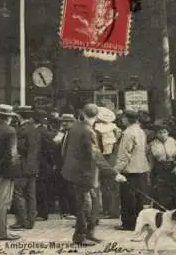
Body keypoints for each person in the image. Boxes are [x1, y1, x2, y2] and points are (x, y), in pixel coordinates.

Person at [61, 104, 127, 246]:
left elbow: (65, 150)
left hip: (75, 173)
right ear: (97, 117)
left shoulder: (75, 128)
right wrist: (114, 174)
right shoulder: (88, 131)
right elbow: (96, 155)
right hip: (83, 175)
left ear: (83, 113)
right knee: (85, 206)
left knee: (91, 203)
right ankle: (80, 236)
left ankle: (89, 233)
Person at [0, 104, 20, 241]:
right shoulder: (10, 131)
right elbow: (11, 154)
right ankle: (3, 232)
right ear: (8, 118)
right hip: (5, 171)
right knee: (3, 202)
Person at [10, 106, 41, 230]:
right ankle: (31, 221)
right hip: (33, 166)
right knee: (31, 194)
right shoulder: (35, 129)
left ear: (19, 116)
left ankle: (22, 221)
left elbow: (22, 148)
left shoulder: (21, 131)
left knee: (18, 192)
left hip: (23, 166)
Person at [147, 123, 176, 211]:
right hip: (159, 170)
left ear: (168, 133)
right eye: (160, 133)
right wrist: (149, 174)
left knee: (175, 192)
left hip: (173, 168)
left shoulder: (175, 142)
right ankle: (162, 215)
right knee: (160, 192)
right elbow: (151, 162)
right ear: (156, 134)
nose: (162, 135)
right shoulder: (152, 145)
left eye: (164, 132)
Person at [94, 107, 122, 219]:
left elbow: (104, 149)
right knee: (112, 185)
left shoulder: (100, 129)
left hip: (106, 158)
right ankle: (112, 209)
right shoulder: (115, 128)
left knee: (106, 185)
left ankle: (109, 210)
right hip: (113, 157)